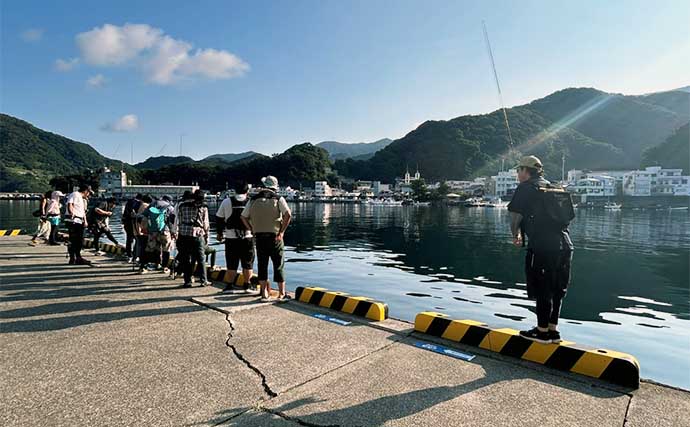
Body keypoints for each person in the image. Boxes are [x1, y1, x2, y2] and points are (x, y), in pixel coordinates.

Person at [508, 155, 574, 344]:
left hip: (544, 246)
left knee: (543, 288)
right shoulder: (552, 186)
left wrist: (516, 235)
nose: (517, 174)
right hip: (565, 244)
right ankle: (553, 330)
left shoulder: (526, 188)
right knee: (557, 288)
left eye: (518, 170)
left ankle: (541, 332)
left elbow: (515, 217)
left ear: (525, 170)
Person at [241, 176, 292, 301]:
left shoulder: (252, 199)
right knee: (278, 265)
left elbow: (243, 217)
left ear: (264, 185)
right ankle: (281, 294)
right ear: (275, 186)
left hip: (259, 237)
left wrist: (251, 229)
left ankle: (264, 293)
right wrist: (282, 232)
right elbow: (288, 214)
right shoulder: (278, 199)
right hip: (275, 236)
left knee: (262, 265)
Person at [216, 182, 257, 293]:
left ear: (234, 190)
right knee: (248, 262)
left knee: (231, 262)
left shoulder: (226, 201)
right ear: (247, 191)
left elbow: (219, 219)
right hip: (247, 236)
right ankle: (247, 285)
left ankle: (229, 286)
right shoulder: (251, 201)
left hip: (230, 237)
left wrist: (219, 233)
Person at [172, 189, 210, 288]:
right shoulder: (203, 208)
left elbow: (177, 220)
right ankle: (203, 280)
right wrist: (207, 236)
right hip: (197, 235)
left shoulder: (181, 206)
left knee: (185, 259)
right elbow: (206, 224)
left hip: (183, 234)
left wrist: (174, 232)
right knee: (201, 258)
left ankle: (187, 281)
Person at [143, 195, 175, 273]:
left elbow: (144, 215)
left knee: (152, 248)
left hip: (153, 230)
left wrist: (146, 227)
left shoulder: (153, 204)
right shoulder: (170, 207)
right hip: (165, 230)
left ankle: (151, 265)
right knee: (166, 249)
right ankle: (165, 267)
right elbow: (172, 221)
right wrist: (173, 232)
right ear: (169, 201)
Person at [66, 184, 93, 265]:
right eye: (89, 192)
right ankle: (74, 257)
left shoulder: (81, 198)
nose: (89, 194)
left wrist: (85, 220)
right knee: (74, 240)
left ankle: (77, 257)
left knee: (79, 240)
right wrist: (71, 213)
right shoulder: (75, 194)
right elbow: (70, 204)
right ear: (85, 191)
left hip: (79, 220)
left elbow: (82, 211)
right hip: (74, 220)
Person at [134, 195, 152, 273]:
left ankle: (140, 263)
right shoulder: (146, 206)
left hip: (139, 229)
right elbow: (145, 218)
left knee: (140, 246)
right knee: (145, 248)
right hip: (144, 230)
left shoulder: (139, 205)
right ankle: (143, 266)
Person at [122, 193, 143, 262]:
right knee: (138, 240)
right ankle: (135, 255)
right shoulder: (139, 203)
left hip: (127, 223)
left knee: (129, 239)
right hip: (134, 223)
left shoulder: (129, 202)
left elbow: (126, 213)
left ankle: (129, 255)